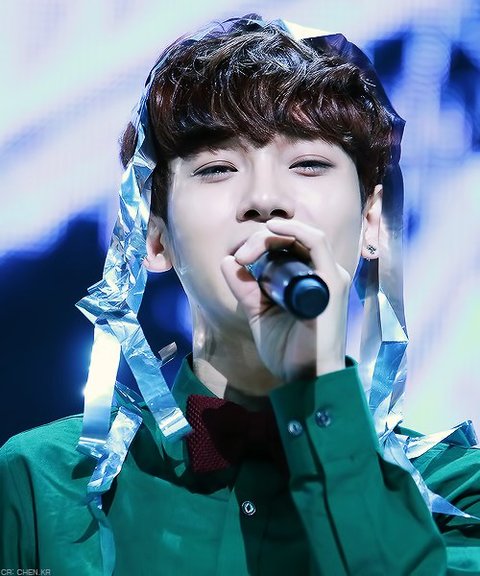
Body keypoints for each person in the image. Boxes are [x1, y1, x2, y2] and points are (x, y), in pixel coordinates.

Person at [1, 14, 480, 576]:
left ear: (372, 223)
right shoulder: (45, 485)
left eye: (308, 164)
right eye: (218, 168)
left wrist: (319, 390)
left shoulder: (454, 493)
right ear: (154, 237)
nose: (265, 198)